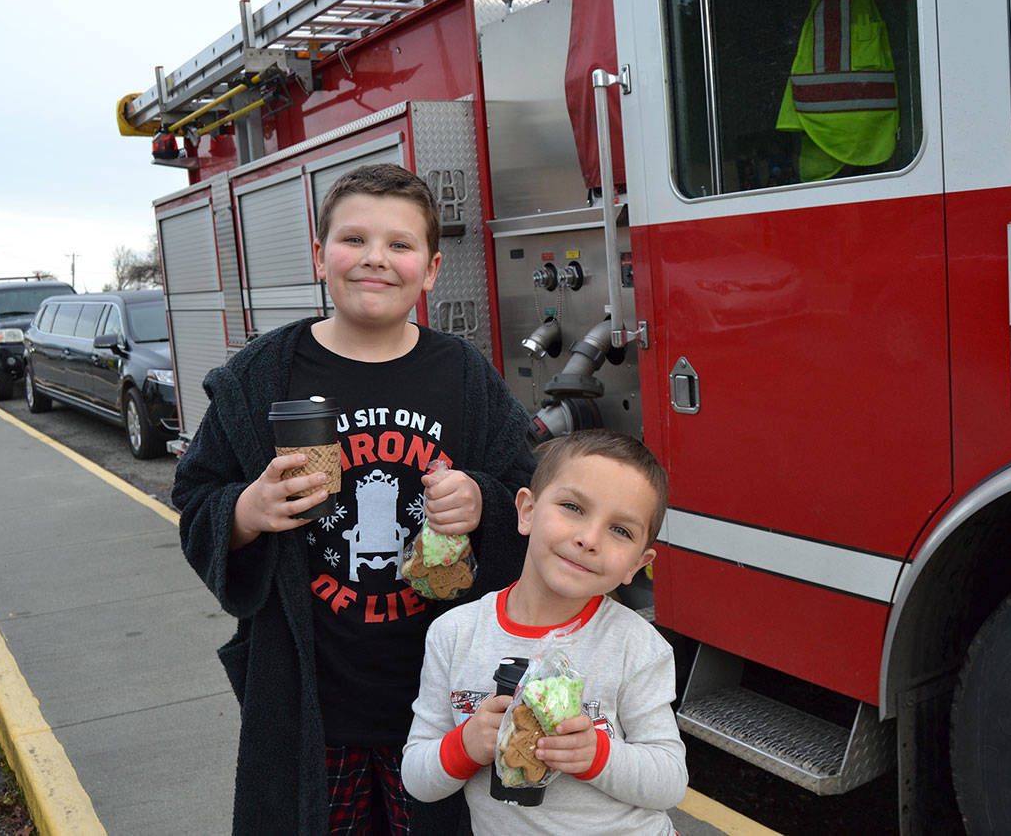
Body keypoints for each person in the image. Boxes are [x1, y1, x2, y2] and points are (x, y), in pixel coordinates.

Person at [171, 163, 535, 835]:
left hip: (438, 701)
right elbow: (195, 496)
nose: (375, 259)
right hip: (309, 696)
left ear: (429, 270)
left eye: (400, 245)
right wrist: (247, 510)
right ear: (319, 256)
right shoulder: (262, 373)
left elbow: (531, 492)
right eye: (353, 240)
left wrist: (483, 501)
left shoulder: (463, 374)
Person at [402, 429, 688, 834]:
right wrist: (465, 745)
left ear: (636, 566)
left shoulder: (636, 646)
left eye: (620, 530)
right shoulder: (454, 634)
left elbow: (670, 781)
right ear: (527, 511)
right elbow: (416, 776)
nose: (589, 539)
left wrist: (596, 755)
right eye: (573, 507)